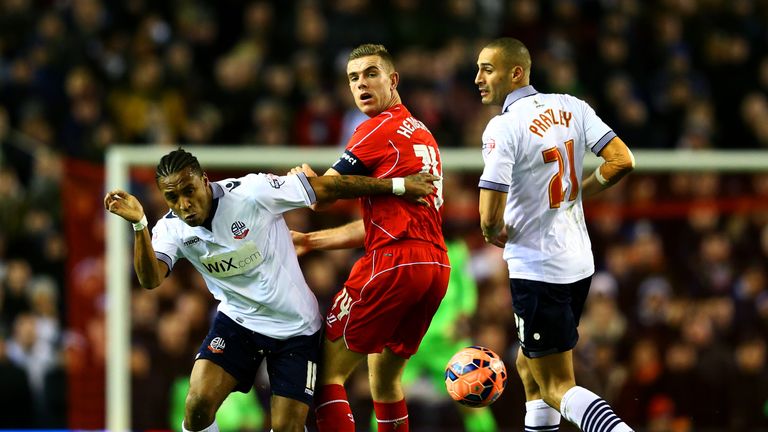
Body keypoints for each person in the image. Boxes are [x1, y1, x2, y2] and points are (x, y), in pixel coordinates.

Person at [103, 148, 438, 432]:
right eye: (172, 197)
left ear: (204, 180)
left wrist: (396, 186)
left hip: (296, 329)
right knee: (197, 405)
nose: (184, 203)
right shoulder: (171, 229)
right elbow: (150, 279)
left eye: (189, 190)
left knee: (287, 428)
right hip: (239, 323)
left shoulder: (251, 192)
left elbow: (325, 187)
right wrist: (139, 224)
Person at [475, 38, 636, 432]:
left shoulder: (503, 126)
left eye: (487, 69)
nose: (477, 79)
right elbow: (622, 160)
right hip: (579, 263)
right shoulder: (572, 105)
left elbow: (488, 215)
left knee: (555, 385)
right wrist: (582, 188)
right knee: (526, 365)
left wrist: (492, 232)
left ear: (516, 72)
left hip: (537, 269)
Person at [290, 43, 450, 432]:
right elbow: (378, 223)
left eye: (371, 74)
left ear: (393, 80)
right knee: (384, 377)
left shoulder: (377, 127)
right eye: (353, 78)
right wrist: (313, 242)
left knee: (327, 370)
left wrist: (306, 182)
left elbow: (320, 194)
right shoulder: (422, 134)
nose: (361, 84)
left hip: (392, 263)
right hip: (433, 266)